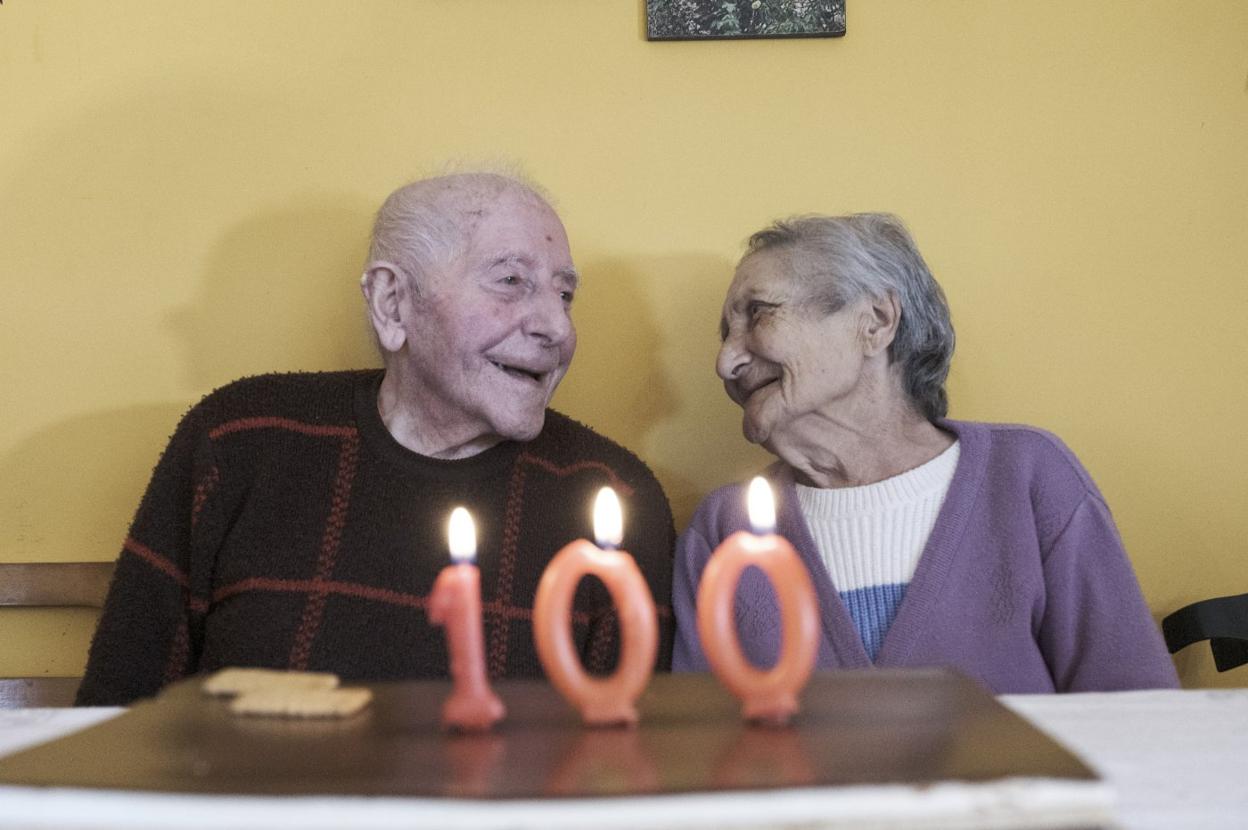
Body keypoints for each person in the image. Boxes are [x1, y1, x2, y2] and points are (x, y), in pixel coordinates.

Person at [77, 172, 675, 706]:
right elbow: (120, 711)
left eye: (564, 293)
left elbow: (621, 767)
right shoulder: (241, 439)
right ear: (393, 303)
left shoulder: (612, 496)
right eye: (511, 281)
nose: (557, 327)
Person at [672, 213, 1178, 693]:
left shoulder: (1028, 478)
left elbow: (1141, 716)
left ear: (876, 320)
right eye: (725, 336)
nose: (725, 361)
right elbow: (701, 758)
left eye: (758, 314)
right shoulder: (724, 530)